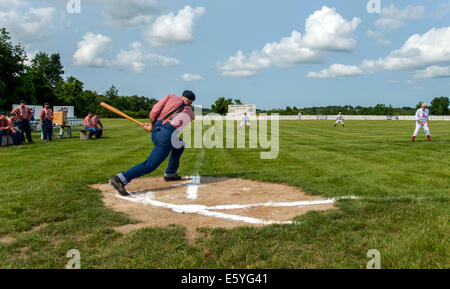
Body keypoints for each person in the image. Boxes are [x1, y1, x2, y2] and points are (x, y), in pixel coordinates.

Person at [109, 90, 196, 196]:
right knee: (151, 165)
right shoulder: (190, 114)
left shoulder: (171, 97)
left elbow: (155, 111)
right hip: (167, 136)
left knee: (180, 145)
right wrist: (155, 127)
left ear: (181, 96)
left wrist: (152, 125)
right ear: (191, 102)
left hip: (158, 131)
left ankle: (170, 173)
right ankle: (120, 179)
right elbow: (176, 128)